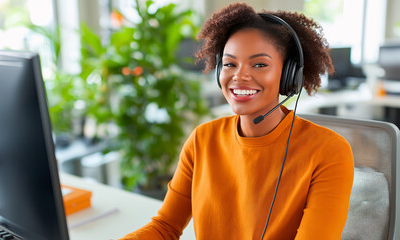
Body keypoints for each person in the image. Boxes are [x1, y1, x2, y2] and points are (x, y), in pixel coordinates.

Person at [120, 2, 354, 240]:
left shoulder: (329, 152)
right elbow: (165, 227)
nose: (239, 76)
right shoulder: (203, 139)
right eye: (230, 64)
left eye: (260, 64)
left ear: (289, 75)